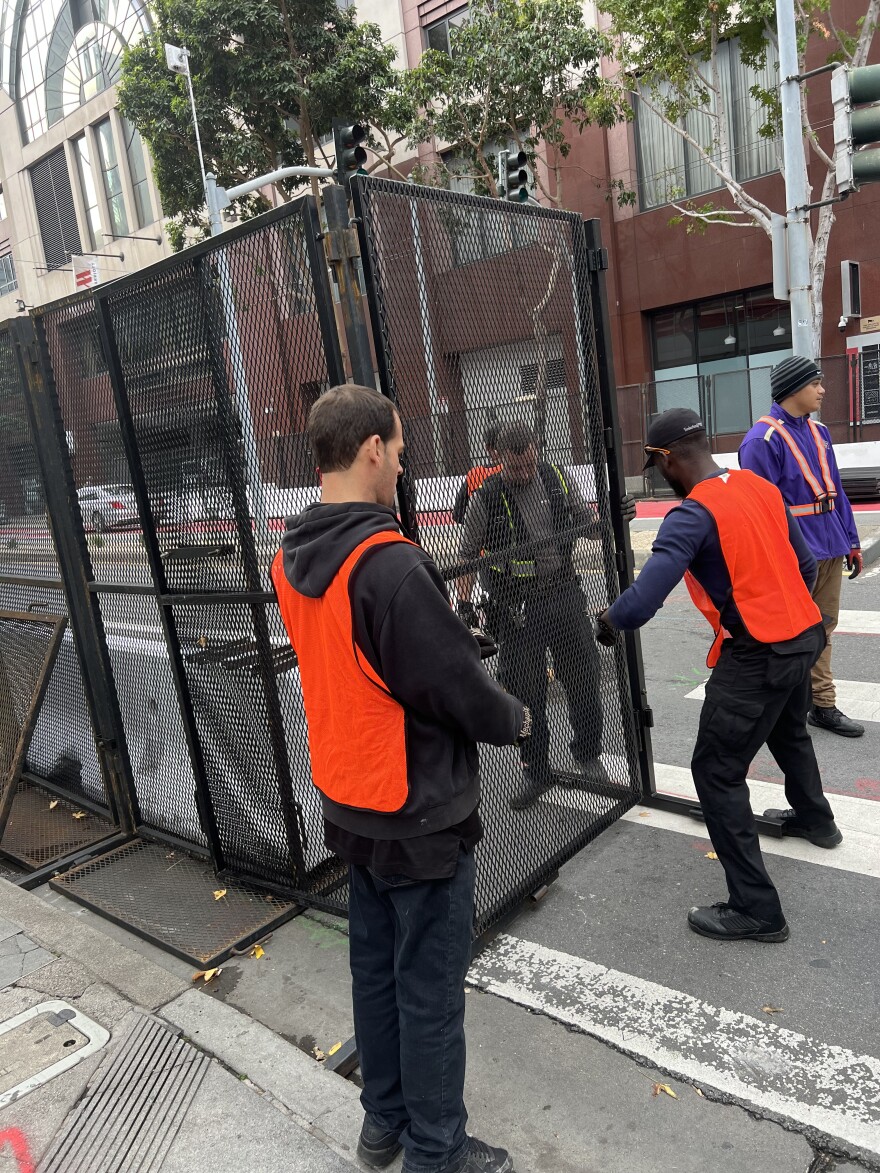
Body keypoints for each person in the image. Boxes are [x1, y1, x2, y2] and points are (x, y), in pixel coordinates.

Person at [272, 384, 527, 1173]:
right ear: (371, 449)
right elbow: (454, 687)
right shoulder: (387, 564)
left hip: (351, 798)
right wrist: (514, 718)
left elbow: (360, 665)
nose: (404, 466)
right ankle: (437, 1151)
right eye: (401, 450)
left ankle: (382, 1124)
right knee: (429, 991)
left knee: (376, 973)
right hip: (418, 812)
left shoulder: (292, 556)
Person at [595, 407, 842, 943]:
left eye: (657, 466)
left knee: (715, 772)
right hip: (803, 635)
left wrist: (609, 621)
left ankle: (757, 910)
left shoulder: (691, 515)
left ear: (667, 459)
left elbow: (645, 597)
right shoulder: (759, 487)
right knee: (788, 731)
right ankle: (815, 820)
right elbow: (803, 564)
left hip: (759, 653)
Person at [456, 420, 610, 810]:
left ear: (536, 450)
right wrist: (465, 605)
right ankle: (537, 772)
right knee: (526, 695)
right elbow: (466, 555)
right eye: (516, 467)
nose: (524, 473)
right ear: (499, 458)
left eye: (529, 464)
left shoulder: (556, 478)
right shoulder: (487, 497)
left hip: (563, 594)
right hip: (516, 608)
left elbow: (587, 525)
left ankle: (588, 754)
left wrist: (610, 520)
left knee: (583, 678)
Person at [739, 356, 863, 738]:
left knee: (823, 629)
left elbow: (836, 490)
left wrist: (851, 541)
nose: (822, 390)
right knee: (791, 634)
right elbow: (761, 511)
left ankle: (822, 706)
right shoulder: (762, 440)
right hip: (794, 555)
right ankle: (783, 708)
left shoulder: (819, 432)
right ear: (793, 388)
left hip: (831, 544)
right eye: (815, 383)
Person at [452, 421, 502, 524]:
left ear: (487, 448)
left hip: (484, 529)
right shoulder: (512, 470)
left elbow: (457, 514)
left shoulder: (474, 474)